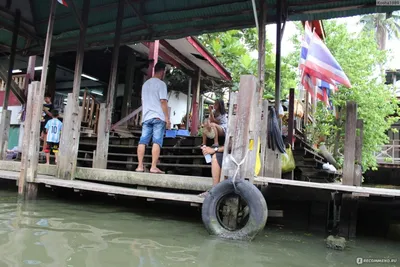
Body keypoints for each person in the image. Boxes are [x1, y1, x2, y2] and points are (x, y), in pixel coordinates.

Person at [136, 62, 171, 174]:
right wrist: (167, 118)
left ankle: (140, 166)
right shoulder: (161, 84)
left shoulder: (145, 84)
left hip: (146, 117)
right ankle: (153, 167)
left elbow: (143, 101)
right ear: (162, 71)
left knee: (143, 141)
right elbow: (163, 101)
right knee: (157, 141)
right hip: (158, 117)